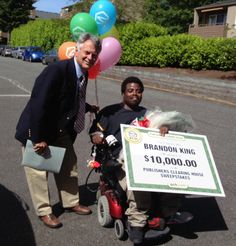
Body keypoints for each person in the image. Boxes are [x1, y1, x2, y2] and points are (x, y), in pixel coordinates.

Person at [89, 76, 193, 244]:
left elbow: (158, 129)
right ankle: (137, 223)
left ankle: (168, 212)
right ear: (123, 92)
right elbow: (95, 132)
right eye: (130, 91)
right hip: (119, 159)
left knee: (172, 175)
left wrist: (164, 128)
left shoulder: (148, 114)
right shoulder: (110, 112)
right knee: (137, 179)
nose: (134, 94)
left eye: (138, 91)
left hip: (145, 156)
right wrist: (97, 136)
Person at [15, 33, 102, 229]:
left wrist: (87, 107)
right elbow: (40, 104)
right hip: (39, 128)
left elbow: (69, 98)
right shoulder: (56, 70)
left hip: (61, 128)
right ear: (77, 49)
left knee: (68, 166)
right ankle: (45, 211)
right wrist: (38, 137)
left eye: (94, 55)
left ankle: (71, 203)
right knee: (38, 172)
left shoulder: (83, 72)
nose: (90, 57)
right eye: (87, 52)